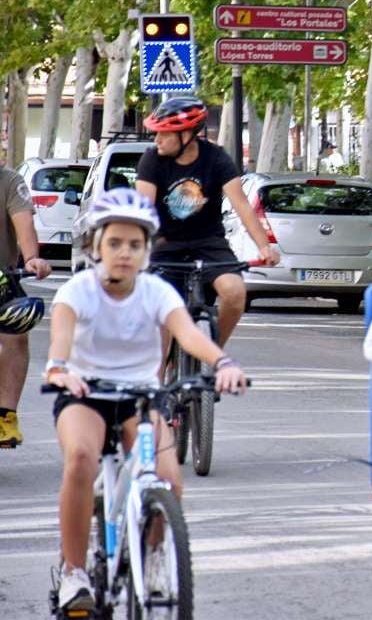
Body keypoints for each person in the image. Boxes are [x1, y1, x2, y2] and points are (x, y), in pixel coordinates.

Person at [43, 189, 247, 612]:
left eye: (135, 245)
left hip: (142, 397)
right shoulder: (76, 292)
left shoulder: (157, 292)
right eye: (114, 243)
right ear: (94, 245)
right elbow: (59, 348)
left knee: (168, 480)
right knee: (81, 457)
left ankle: (155, 557)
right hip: (86, 395)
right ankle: (74, 572)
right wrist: (61, 371)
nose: (124, 253)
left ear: (148, 250)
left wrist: (223, 361)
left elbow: (189, 336)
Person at [136, 96, 280, 345]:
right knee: (162, 324)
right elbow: (142, 210)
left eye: (164, 133)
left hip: (208, 244)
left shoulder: (216, 158)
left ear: (187, 134)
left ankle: (212, 353)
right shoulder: (152, 160)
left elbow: (242, 205)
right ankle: (157, 381)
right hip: (164, 245)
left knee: (235, 292)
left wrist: (264, 246)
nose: (157, 140)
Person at [0, 163, 52, 448]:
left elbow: (24, 225)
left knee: (17, 333)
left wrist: (32, 258)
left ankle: (5, 416)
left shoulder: (10, 181)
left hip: (1, 278)